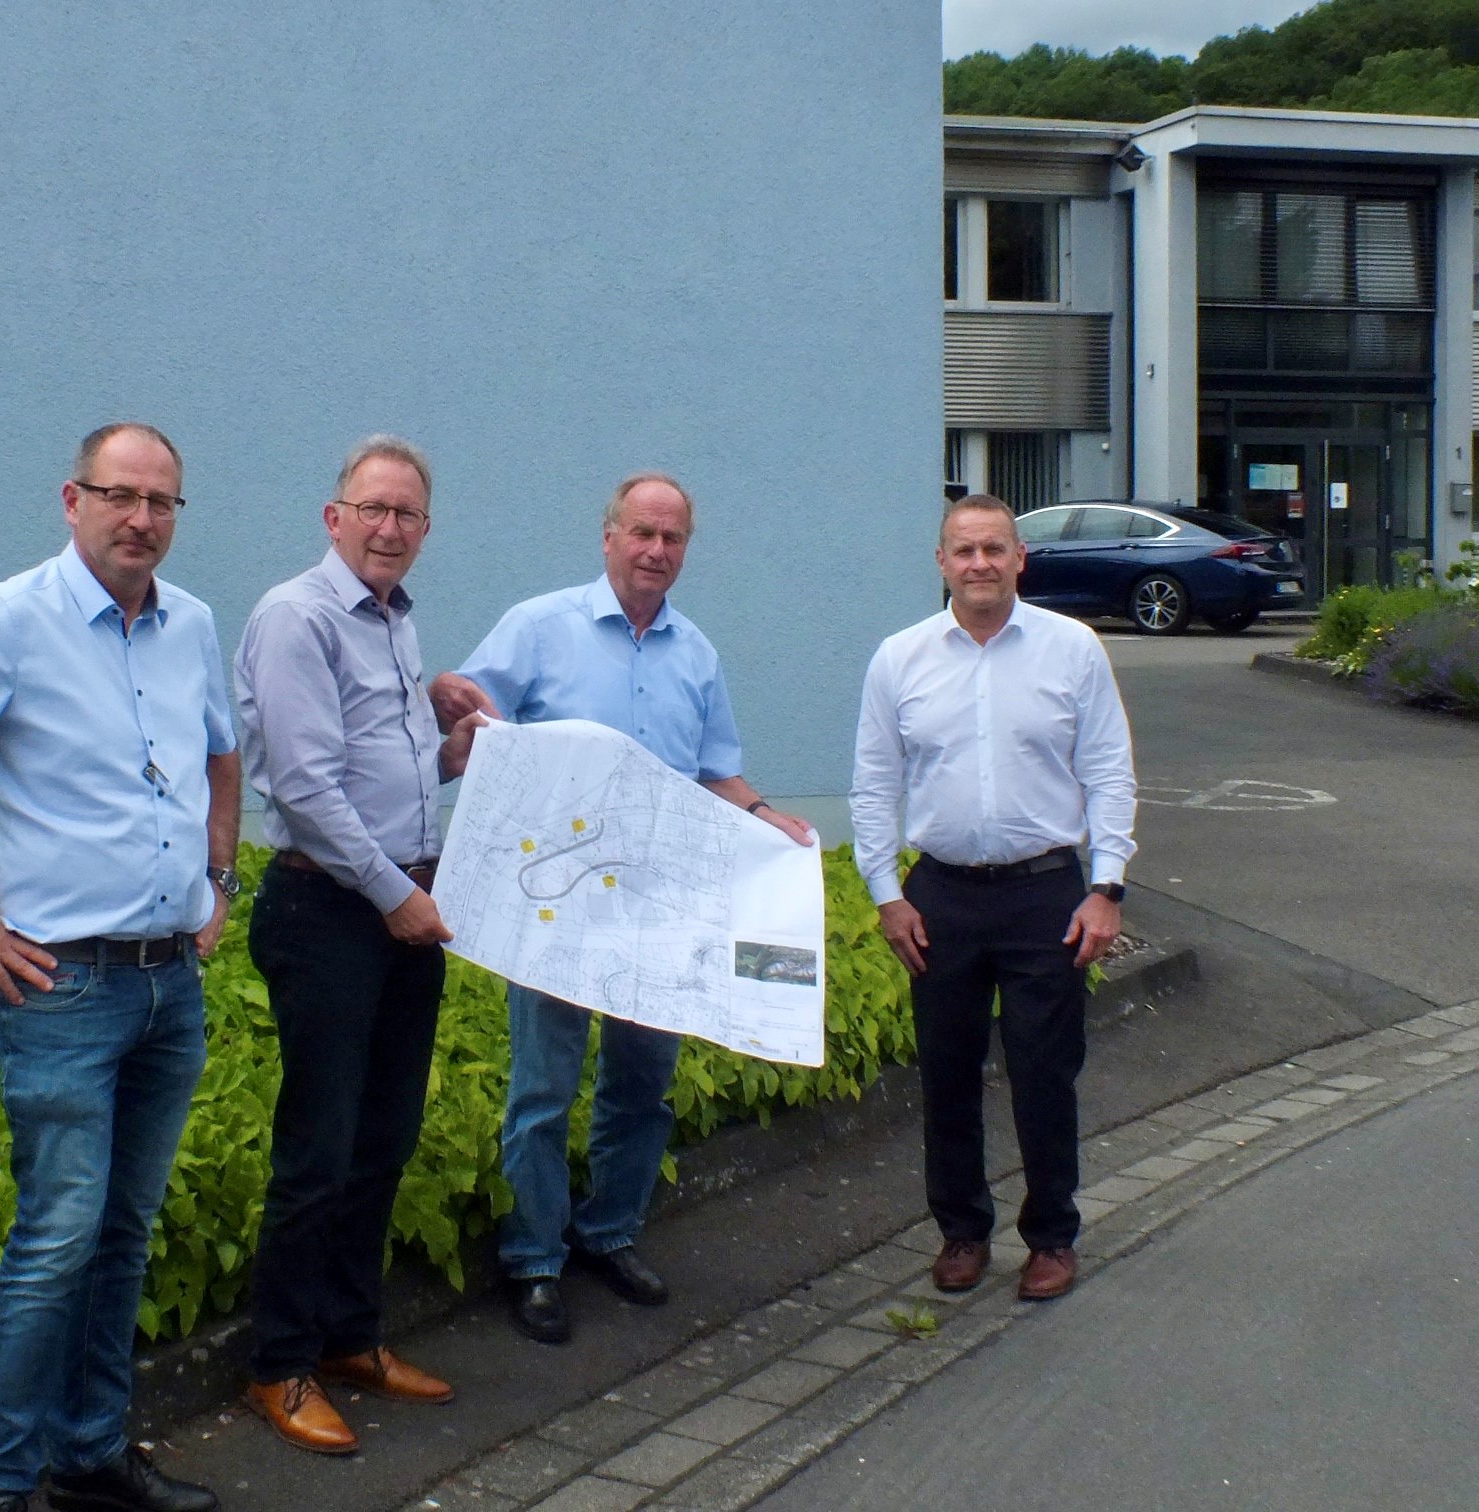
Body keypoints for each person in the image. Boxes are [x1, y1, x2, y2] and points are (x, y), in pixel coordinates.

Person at [0, 423, 236, 1512]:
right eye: (120, 496)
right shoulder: (8, 621)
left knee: (122, 1234)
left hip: (171, 985)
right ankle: (4, 1488)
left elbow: (220, 748)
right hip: (59, 989)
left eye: (162, 501)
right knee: (56, 1242)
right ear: (72, 500)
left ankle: (90, 1456)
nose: (141, 520)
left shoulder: (190, 623)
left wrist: (220, 879)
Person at [430, 472, 812, 1345]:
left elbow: (716, 769)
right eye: (641, 533)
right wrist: (447, 713)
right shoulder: (538, 627)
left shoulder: (697, 654)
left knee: (643, 1088)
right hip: (555, 904)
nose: (655, 551)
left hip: (660, 906)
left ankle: (608, 1233)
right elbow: (466, 725)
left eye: (672, 539)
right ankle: (532, 1258)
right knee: (543, 1087)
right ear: (607, 536)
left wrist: (765, 819)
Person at [233, 436, 487, 1453]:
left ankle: (347, 1338)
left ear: (424, 531)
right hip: (330, 914)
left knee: (382, 1141)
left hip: (399, 916)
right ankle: (279, 1364)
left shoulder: (394, 623)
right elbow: (302, 785)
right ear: (332, 517)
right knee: (318, 1149)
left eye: (407, 516)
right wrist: (393, 894)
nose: (388, 529)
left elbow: (376, 765)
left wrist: (449, 753)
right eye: (371, 510)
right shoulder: (295, 616)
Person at [849, 493, 1136, 1303]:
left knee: (1045, 1073)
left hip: (1044, 892)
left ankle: (1050, 1236)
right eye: (963, 551)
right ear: (940, 563)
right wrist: (885, 895)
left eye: (993, 549)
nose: (978, 564)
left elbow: (1109, 771)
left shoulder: (1071, 650)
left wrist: (1106, 886)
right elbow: (873, 786)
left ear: (1020, 559)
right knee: (946, 1075)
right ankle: (961, 1233)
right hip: (939, 895)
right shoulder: (898, 659)